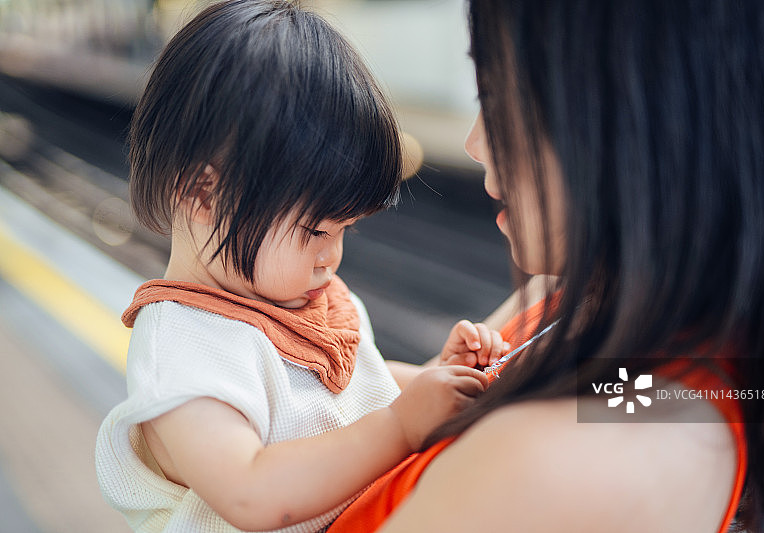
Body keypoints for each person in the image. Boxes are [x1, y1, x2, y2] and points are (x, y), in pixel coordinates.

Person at [328, 0, 764, 531]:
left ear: (646, 116)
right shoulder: (583, 294)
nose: (476, 143)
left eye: (500, 97)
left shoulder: (579, 460)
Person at [94, 1, 507, 531]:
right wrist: (402, 426)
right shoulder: (183, 343)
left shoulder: (301, 297)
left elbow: (353, 386)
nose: (332, 256)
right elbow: (250, 491)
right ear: (203, 193)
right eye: (317, 231)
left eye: (344, 230)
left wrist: (434, 380)